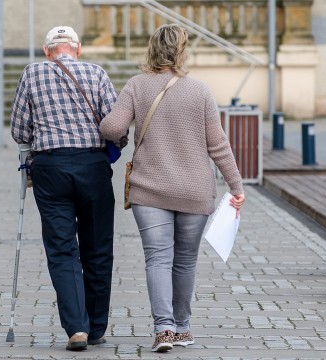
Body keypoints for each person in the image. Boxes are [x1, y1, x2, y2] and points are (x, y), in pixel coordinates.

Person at [100, 23, 246, 353]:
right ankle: (182, 327)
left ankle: (163, 329)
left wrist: (107, 126)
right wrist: (236, 187)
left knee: (157, 259)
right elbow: (218, 145)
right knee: (185, 262)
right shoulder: (201, 91)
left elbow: (112, 127)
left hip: (149, 189)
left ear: (152, 49)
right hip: (195, 190)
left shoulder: (136, 85)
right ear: (183, 50)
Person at [10, 25, 118, 352]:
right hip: (92, 167)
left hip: (50, 168)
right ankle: (96, 326)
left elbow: (19, 129)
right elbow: (115, 123)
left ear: (47, 51)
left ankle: (77, 329)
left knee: (61, 248)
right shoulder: (97, 74)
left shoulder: (31, 73)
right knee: (97, 246)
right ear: (78, 48)